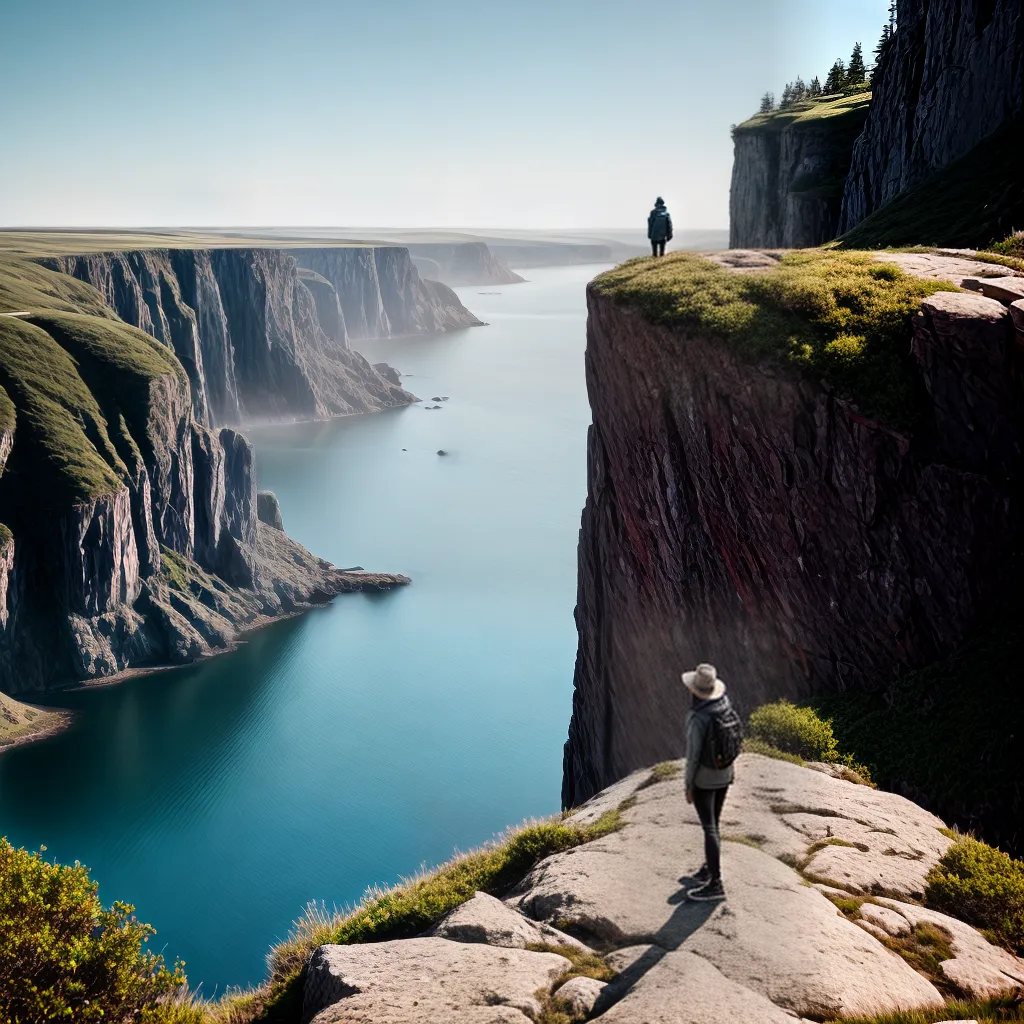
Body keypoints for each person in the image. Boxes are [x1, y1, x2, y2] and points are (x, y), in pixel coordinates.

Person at [682, 663, 736, 901]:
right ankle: (708, 869)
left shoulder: (697, 717)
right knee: (714, 824)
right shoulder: (724, 705)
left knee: (709, 828)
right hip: (725, 774)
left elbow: (693, 756)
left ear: (694, 689)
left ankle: (715, 883)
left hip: (705, 779)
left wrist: (688, 785)